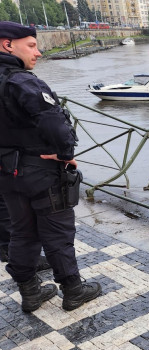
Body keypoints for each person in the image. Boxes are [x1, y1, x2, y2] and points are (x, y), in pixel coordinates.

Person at [0, 21, 101, 313]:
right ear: (8, 45)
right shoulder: (24, 82)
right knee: (56, 232)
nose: (39, 52)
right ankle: (73, 291)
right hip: (41, 173)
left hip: (7, 174)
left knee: (21, 232)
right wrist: (65, 153)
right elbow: (56, 125)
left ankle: (30, 293)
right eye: (31, 45)